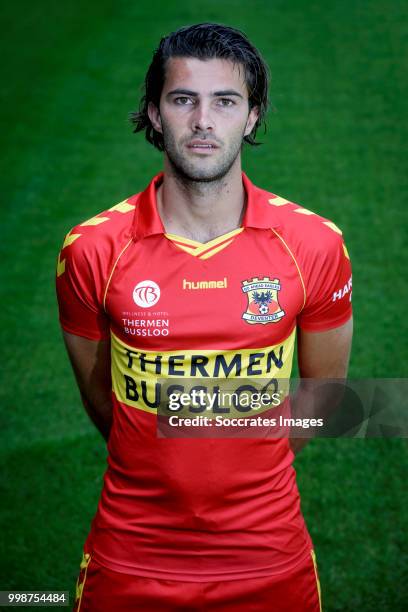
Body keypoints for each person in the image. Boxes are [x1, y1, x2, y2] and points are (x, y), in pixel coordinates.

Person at [56, 23, 353, 612]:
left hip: (270, 555)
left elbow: (325, 397)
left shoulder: (314, 245)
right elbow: (102, 401)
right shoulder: (91, 250)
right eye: (183, 99)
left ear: (251, 116)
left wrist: (245, 453)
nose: (202, 121)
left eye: (225, 101)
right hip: (131, 555)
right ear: (154, 111)